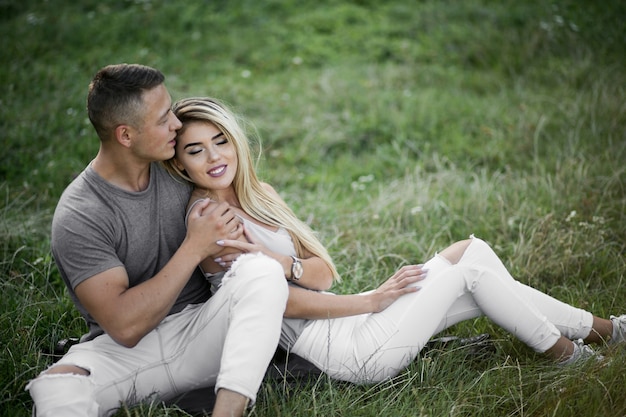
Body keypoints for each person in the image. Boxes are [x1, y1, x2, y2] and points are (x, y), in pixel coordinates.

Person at [163, 96, 626, 384]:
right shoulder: (212, 223)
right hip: (346, 353)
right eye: (196, 149)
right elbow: (281, 305)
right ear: (181, 164)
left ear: (236, 141)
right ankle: (571, 357)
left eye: (220, 140)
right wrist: (372, 301)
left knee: (470, 260)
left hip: (344, 320)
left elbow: (321, 275)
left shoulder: (260, 195)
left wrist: (283, 263)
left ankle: (608, 333)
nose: (214, 156)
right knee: (473, 263)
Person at [26, 65, 289, 417]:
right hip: (127, 351)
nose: (177, 126)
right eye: (164, 118)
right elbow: (124, 327)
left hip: (205, 330)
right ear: (125, 135)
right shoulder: (80, 215)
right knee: (57, 388)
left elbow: (254, 217)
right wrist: (194, 247)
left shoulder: (181, 169)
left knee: (260, 271)